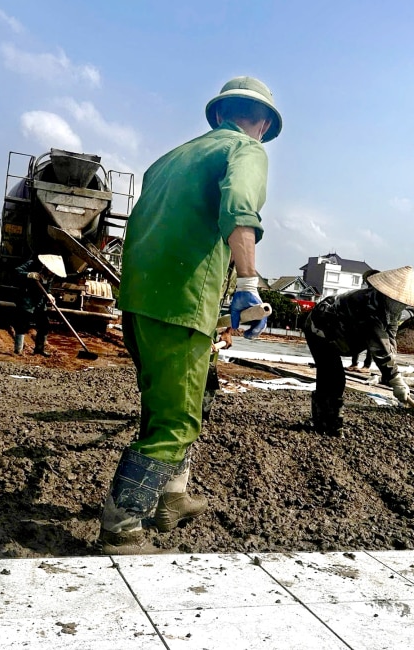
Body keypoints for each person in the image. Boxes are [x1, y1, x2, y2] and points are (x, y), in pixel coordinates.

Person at [98, 76, 282, 554]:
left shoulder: (169, 160)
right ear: (261, 122)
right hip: (182, 304)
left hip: (141, 300)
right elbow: (240, 209)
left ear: (219, 114)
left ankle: (173, 497)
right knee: (177, 421)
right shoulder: (247, 150)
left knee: (168, 406)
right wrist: (246, 284)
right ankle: (121, 527)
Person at [303, 266, 414, 436]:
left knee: (331, 378)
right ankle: (326, 423)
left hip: (342, 333)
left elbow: (390, 338)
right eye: (400, 301)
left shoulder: (391, 310)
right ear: (390, 294)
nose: (402, 305)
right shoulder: (369, 306)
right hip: (320, 328)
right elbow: (379, 346)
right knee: (333, 377)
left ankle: (327, 423)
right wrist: (395, 379)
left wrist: (392, 373)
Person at [12, 254, 66, 357]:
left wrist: (49, 294)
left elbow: (47, 287)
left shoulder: (51, 275)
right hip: (26, 297)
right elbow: (16, 272)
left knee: (44, 325)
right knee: (22, 324)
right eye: (51, 270)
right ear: (46, 266)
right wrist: (29, 274)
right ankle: (18, 350)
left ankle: (39, 349)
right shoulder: (32, 264)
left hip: (40, 300)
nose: (52, 273)